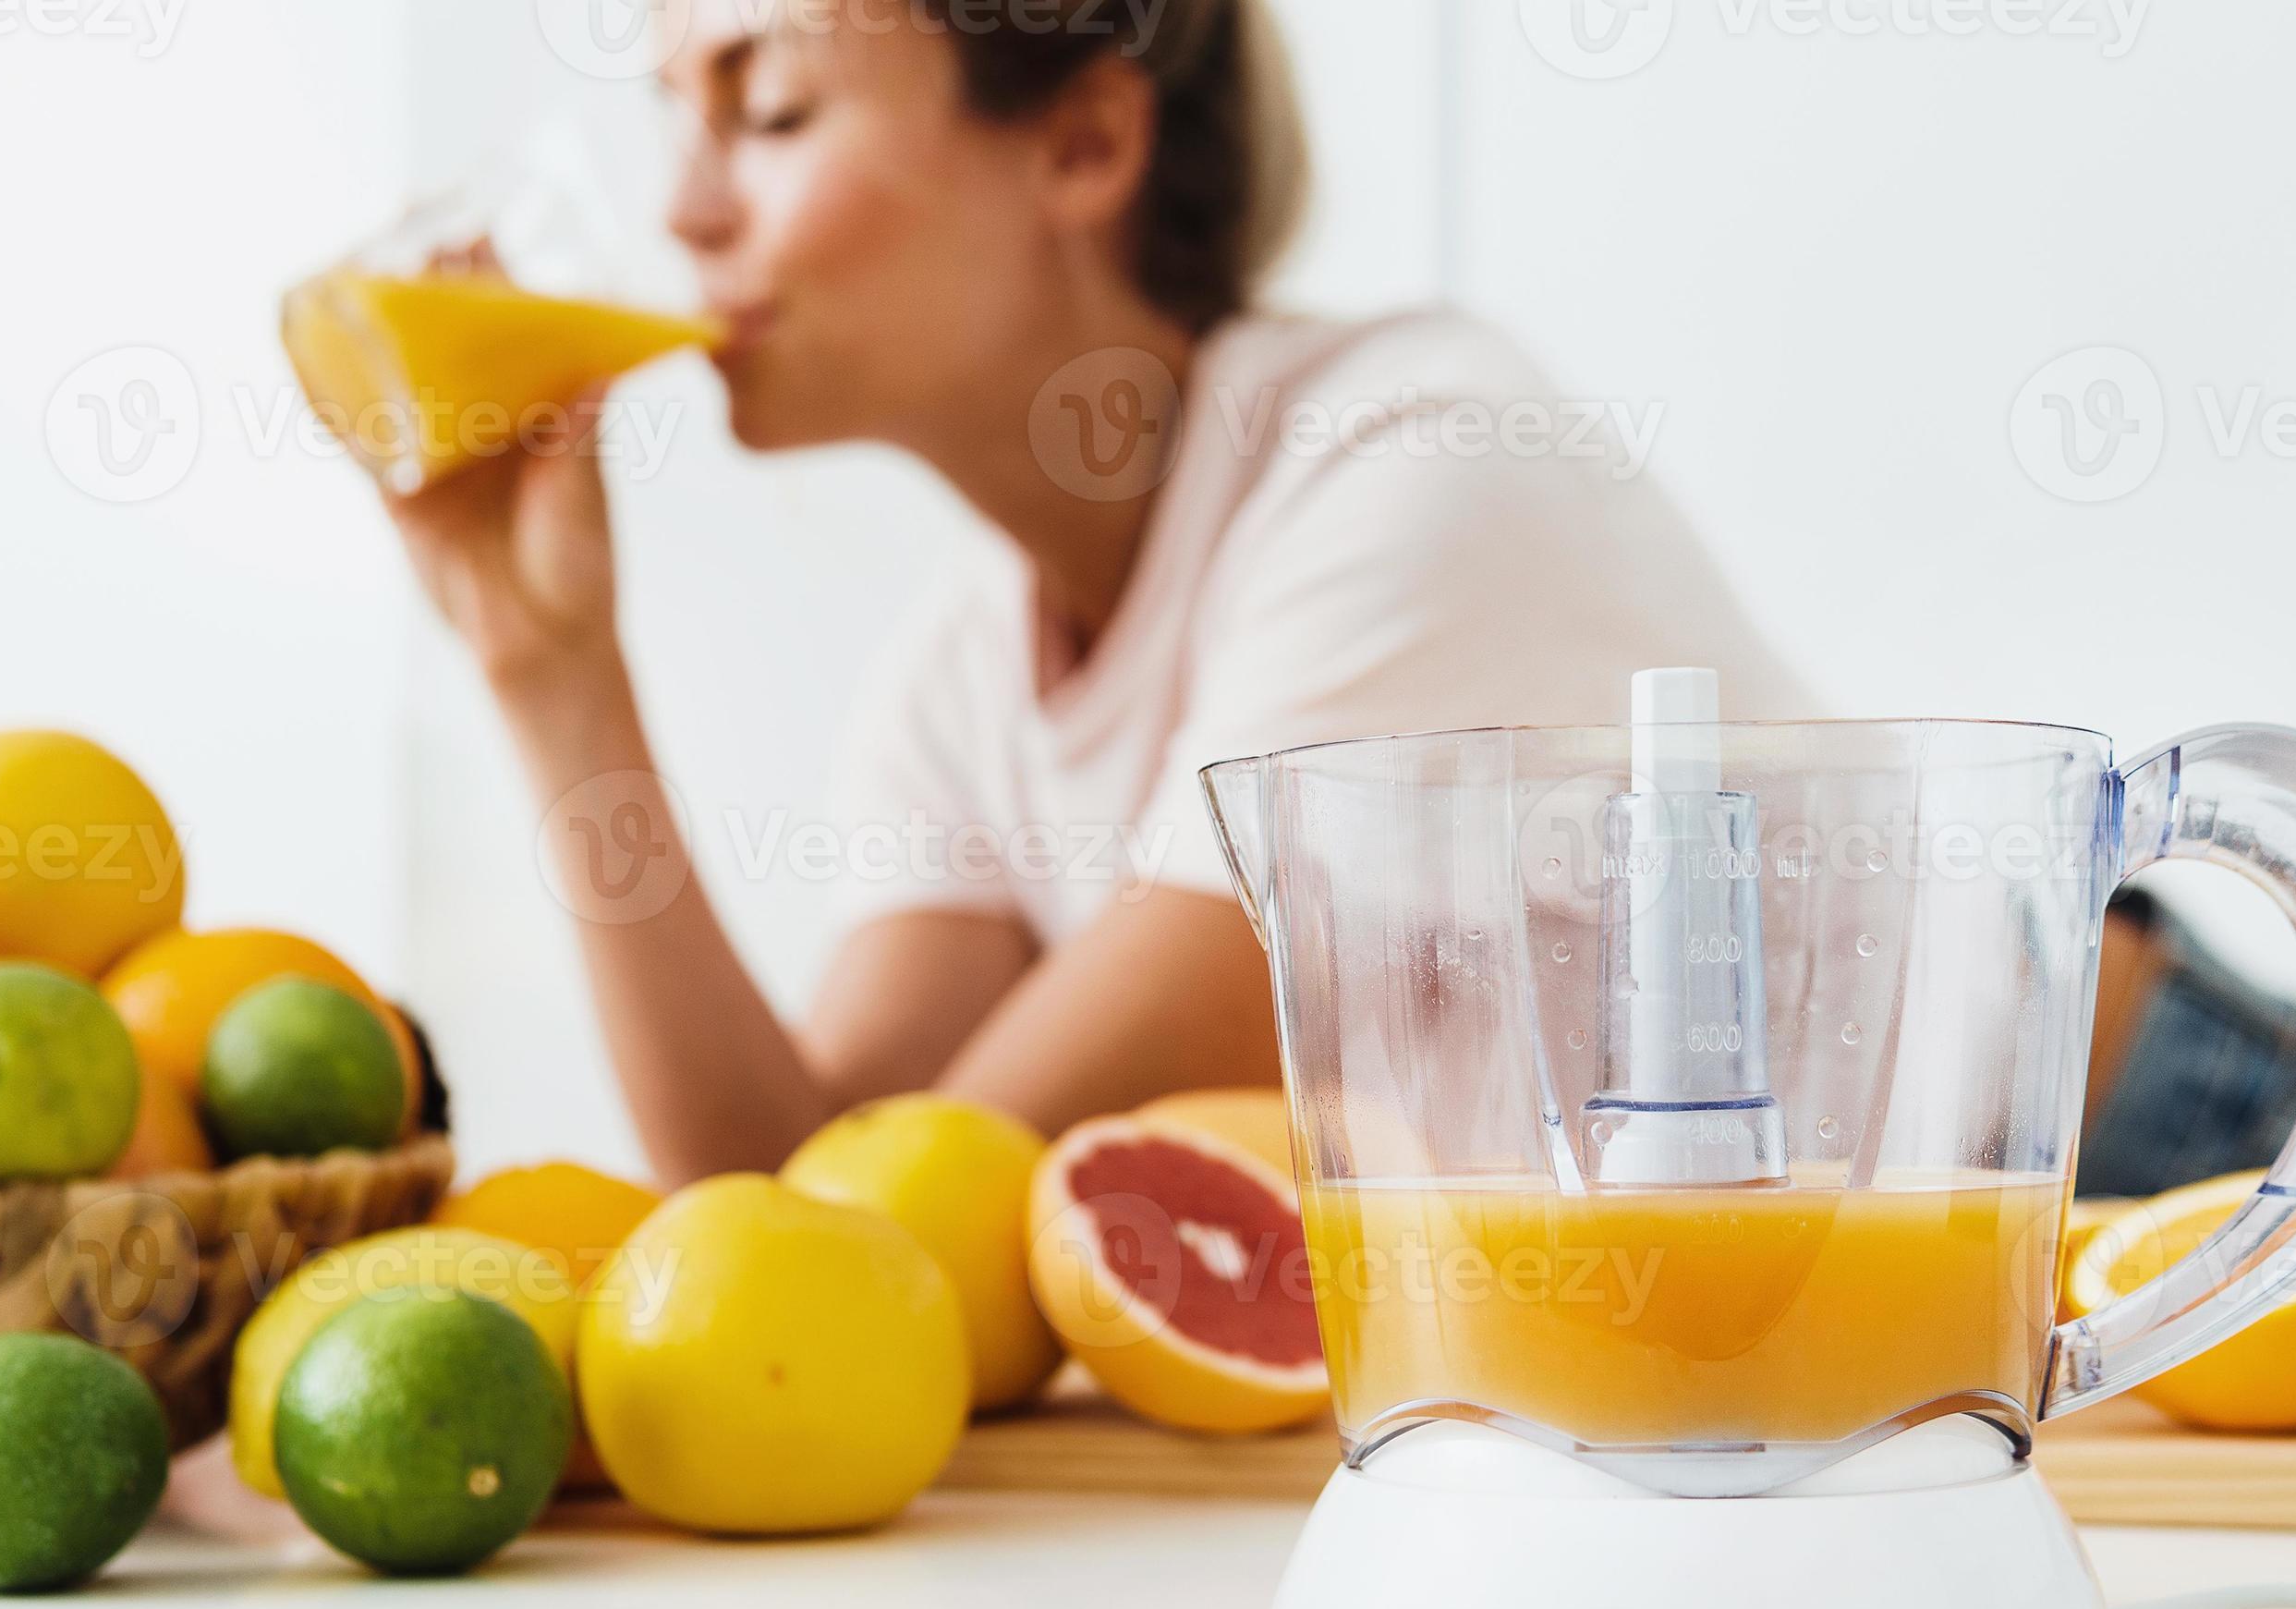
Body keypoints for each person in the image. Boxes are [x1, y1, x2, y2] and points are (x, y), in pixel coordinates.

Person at [390, 0, 1809, 1186]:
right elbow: (796, 1242)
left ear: (1085, 141)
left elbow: (901, 1244)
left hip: (1949, 1367)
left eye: (770, 114)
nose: (684, 212)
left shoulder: (1419, 478)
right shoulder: (962, 674)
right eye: (675, 119)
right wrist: (553, 676)